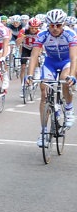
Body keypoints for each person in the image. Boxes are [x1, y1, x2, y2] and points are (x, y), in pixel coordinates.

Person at [24, 8, 77, 138]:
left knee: (65, 79)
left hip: (66, 62)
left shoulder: (70, 34)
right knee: (44, 91)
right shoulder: (42, 35)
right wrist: (29, 74)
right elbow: (34, 55)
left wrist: (72, 75)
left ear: (63, 24)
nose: (54, 28)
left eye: (58, 25)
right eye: (51, 25)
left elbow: (74, 57)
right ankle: (43, 132)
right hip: (50, 63)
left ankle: (69, 109)